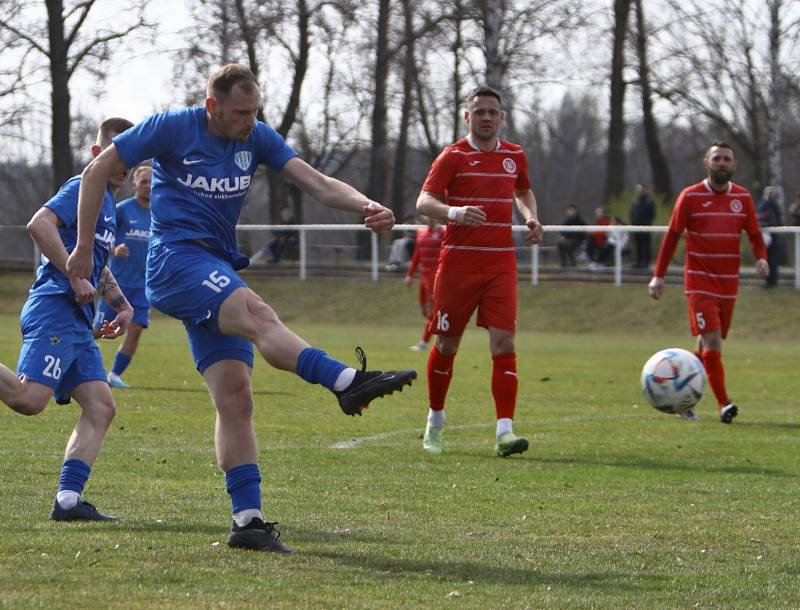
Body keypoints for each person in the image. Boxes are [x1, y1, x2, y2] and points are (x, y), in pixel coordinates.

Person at [67, 64, 417, 553]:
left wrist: (366, 205)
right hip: (174, 262)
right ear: (213, 106)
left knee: (236, 397)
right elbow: (96, 169)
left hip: (213, 265)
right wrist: (84, 249)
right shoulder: (172, 126)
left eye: (256, 111)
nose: (250, 121)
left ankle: (247, 522)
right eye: (240, 112)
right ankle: (346, 382)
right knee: (260, 315)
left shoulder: (256, 137)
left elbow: (314, 182)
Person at [0, 118, 135, 521]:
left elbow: (95, 265)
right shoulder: (82, 188)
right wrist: (74, 275)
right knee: (28, 400)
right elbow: (38, 225)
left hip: (77, 319)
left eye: (129, 155)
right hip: (56, 306)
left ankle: (68, 501)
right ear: (97, 155)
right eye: (115, 153)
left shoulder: (108, 205)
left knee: (101, 406)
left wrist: (121, 304)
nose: (124, 165)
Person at [415, 85, 543, 458]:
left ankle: (505, 431)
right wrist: (454, 212)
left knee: (504, 344)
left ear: (502, 117)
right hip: (458, 265)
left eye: (493, 112)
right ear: (467, 117)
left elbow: (523, 191)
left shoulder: (515, 155)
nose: (486, 117)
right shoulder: (452, 156)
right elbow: (424, 201)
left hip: (501, 264)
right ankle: (435, 421)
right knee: (447, 344)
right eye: (479, 111)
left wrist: (532, 217)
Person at [648, 142, 768, 424]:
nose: (722, 163)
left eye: (727, 159)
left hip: (728, 284)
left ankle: (683, 400)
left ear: (734, 165)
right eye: (717, 158)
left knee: (705, 345)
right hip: (699, 282)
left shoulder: (743, 198)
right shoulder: (690, 197)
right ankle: (724, 404)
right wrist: (659, 275)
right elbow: (672, 236)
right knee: (713, 340)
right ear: (707, 163)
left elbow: (755, 234)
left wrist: (762, 258)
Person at [97, 164, 153, 388]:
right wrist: (114, 249)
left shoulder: (159, 215)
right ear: (134, 185)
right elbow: (102, 237)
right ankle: (76, 365)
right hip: (116, 284)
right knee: (98, 330)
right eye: (144, 182)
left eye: (152, 182)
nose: (149, 186)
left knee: (136, 329)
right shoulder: (121, 210)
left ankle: (114, 375)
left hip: (143, 286)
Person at [405, 215, 444, 351]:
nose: (431, 218)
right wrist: (410, 274)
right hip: (424, 278)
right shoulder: (420, 232)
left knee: (432, 311)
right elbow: (417, 254)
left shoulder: (442, 232)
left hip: (436, 277)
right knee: (425, 310)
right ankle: (437, 335)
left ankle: (425, 342)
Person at [756, 186, 783, 288]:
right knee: (766, 258)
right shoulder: (763, 204)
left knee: (773, 259)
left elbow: (778, 220)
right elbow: (758, 217)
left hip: (774, 236)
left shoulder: (774, 205)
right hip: (766, 235)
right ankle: (768, 281)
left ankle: (772, 281)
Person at [629, 184, 656, 268]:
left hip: (646, 226)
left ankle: (646, 262)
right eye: (637, 189)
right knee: (638, 245)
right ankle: (638, 261)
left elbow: (652, 214)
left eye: (640, 189)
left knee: (646, 245)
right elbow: (632, 213)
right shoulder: (635, 201)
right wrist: (633, 223)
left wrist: (647, 223)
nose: (639, 191)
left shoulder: (649, 201)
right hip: (636, 227)